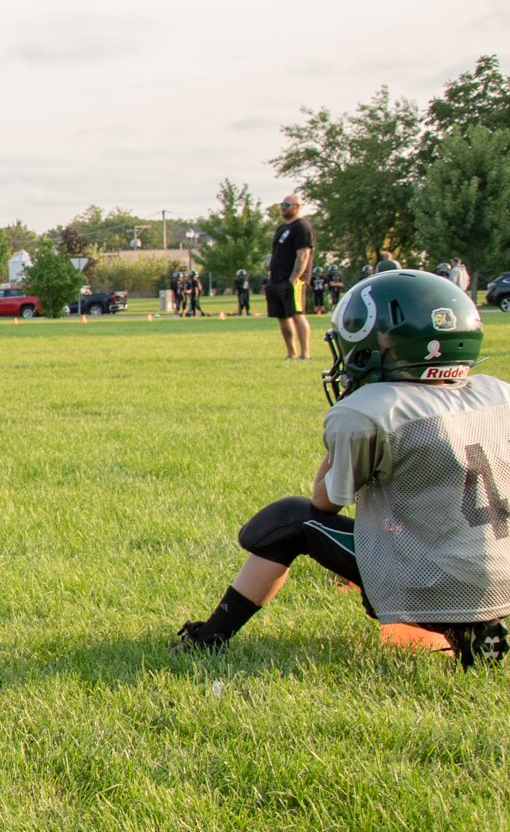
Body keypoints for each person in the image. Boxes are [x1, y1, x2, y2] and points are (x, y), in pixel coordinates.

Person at [176, 269, 507, 667]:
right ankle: (475, 625)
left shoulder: (373, 410)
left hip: (438, 581)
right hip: (501, 573)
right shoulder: (497, 393)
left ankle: (210, 636)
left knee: (289, 520)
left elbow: (327, 502)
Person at [269, 193, 316, 361]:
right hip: (277, 279)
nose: (282, 208)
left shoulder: (302, 227)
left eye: (286, 205)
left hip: (294, 280)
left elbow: (303, 255)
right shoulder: (282, 228)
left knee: (297, 313)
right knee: (282, 316)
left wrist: (294, 278)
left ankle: (305, 354)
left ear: (297, 206)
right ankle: (291, 353)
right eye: (282, 204)